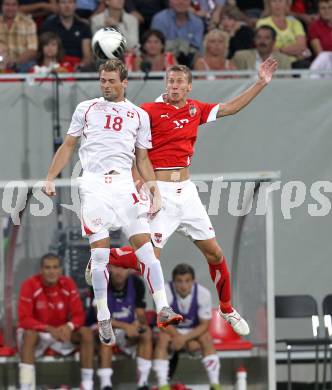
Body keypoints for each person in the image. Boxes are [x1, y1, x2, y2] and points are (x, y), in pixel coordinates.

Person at [43, 58, 183, 347]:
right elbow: (68, 145)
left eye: (111, 81)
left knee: (147, 249)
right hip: (93, 185)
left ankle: (163, 307)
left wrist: (154, 188)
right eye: (102, 81)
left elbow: (142, 158)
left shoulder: (138, 116)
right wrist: (49, 177)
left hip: (123, 184)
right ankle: (104, 316)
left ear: (124, 82)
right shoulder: (86, 109)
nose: (106, 85)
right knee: (100, 255)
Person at [140, 59, 278, 337]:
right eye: (170, 81)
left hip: (187, 193)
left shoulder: (195, 109)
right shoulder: (148, 111)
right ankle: (104, 257)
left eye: (180, 82)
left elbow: (231, 108)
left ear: (189, 86)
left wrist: (261, 83)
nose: (174, 86)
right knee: (148, 257)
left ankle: (227, 308)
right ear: (165, 84)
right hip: (160, 193)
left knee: (214, 252)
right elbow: (136, 151)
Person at [17, 253, 95, 390]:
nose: (51, 271)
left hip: (62, 332)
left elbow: (79, 315)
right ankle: (26, 386)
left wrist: (69, 326)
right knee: (29, 334)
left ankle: (87, 385)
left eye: (55, 267)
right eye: (47, 267)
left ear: (60, 270)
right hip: (39, 333)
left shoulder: (68, 284)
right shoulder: (29, 285)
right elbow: (24, 319)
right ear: (41, 270)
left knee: (86, 333)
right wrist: (47, 328)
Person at [153, 263, 221, 390]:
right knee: (162, 338)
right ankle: (163, 384)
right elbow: (163, 324)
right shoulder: (164, 293)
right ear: (173, 282)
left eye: (187, 281)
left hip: (192, 332)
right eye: (179, 281)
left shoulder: (203, 294)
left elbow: (204, 325)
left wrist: (183, 339)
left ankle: (215, 383)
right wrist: (180, 338)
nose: (183, 286)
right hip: (170, 331)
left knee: (206, 338)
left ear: (193, 281)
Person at [86, 262, 153, 390]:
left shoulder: (137, 283)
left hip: (127, 328)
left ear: (129, 270)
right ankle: (106, 385)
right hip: (106, 327)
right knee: (106, 335)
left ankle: (143, 383)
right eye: (116, 267)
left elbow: (140, 314)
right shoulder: (99, 282)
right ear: (109, 268)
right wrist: (126, 327)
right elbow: (100, 317)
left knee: (146, 332)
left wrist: (137, 324)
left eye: (124, 267)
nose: (119, 272)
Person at [41, 0, 93, 70]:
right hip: (55, 64)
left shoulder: (83, 27)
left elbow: (87, 55)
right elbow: (46, 50)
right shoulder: (48, 25)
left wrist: (80, 66)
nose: (67, 6)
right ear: (58, 5)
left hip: (77, 65)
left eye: (70, 2)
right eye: (63, 2)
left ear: (75, 5)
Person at [151, 0, 204, 67]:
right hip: (164, 64)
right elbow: (157, 47)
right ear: (169, 2)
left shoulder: (197, 22)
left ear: (190, 2)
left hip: (190, 64)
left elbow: (197, 48)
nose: (181, 2)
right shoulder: (159, 19)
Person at [256, 0, 310, 66]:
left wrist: (280, 50)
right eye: (274, 1)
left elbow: (302, 47)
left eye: (280, 1)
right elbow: (265, 47)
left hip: (295, 63)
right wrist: (291, 50)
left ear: (286, 4)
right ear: (269, 4)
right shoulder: (262, 22)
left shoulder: (295, 23)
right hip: (273, 62)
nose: (277, 4)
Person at [0, 0, 37, 72]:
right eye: (7, 4)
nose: (10, 8)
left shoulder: (28, 23)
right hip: (1, 61)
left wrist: (14, 61)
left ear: (18, 7)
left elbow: (32, 50)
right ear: (1, 6)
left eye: (14, 5)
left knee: (29, 65)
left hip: (21, 63)